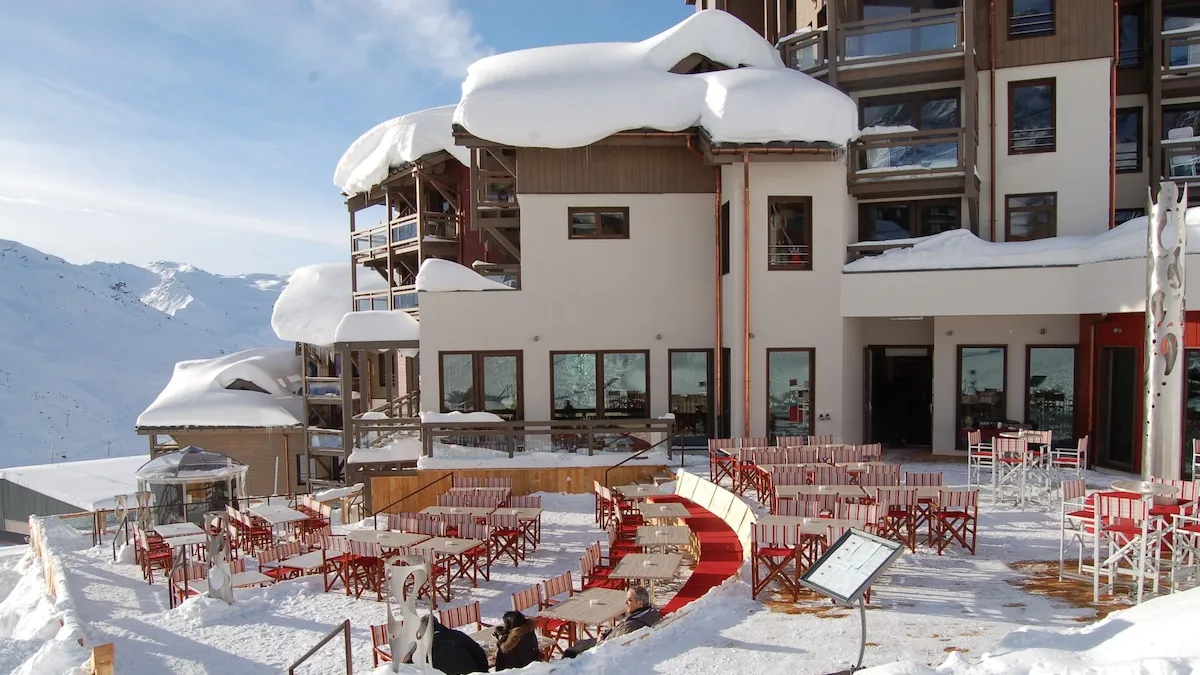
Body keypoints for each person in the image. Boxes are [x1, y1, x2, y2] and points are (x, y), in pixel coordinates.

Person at [562, 586, 660, 659]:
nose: (625, 603)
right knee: (580, 644)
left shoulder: (632, 625)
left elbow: (608, 646)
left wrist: (601, 640)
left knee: (571, 651)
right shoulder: (650, 614)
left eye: (629, 600)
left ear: (640, 603)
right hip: (612, 640)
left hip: (603, 650)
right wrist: (606, 633)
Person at [401, 615, 489, 675]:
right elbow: (479, 653)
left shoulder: (418, 647)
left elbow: (405, 668)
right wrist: (484, 671)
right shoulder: (457, 635)